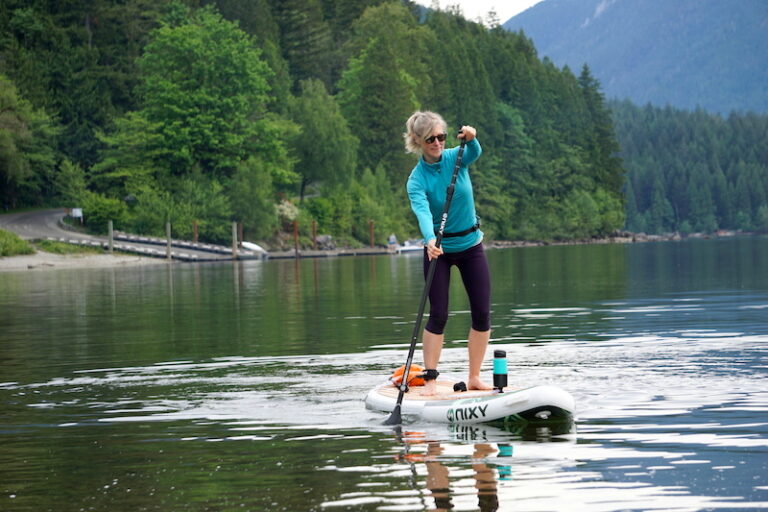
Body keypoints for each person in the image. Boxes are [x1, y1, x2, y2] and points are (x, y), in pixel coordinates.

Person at [403, 111, 492, 395]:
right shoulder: (416, 180)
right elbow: (422, 212)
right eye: (431, 139)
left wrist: (473, 137)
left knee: (481, 313)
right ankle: (429, 380)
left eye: (442, 136)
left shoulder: (457, 157)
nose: (438, 143)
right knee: (439, 314)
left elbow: (474, 152)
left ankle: (475, 377)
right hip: (438, 251)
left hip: (471, 246)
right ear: (417, 141)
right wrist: (430, 239)